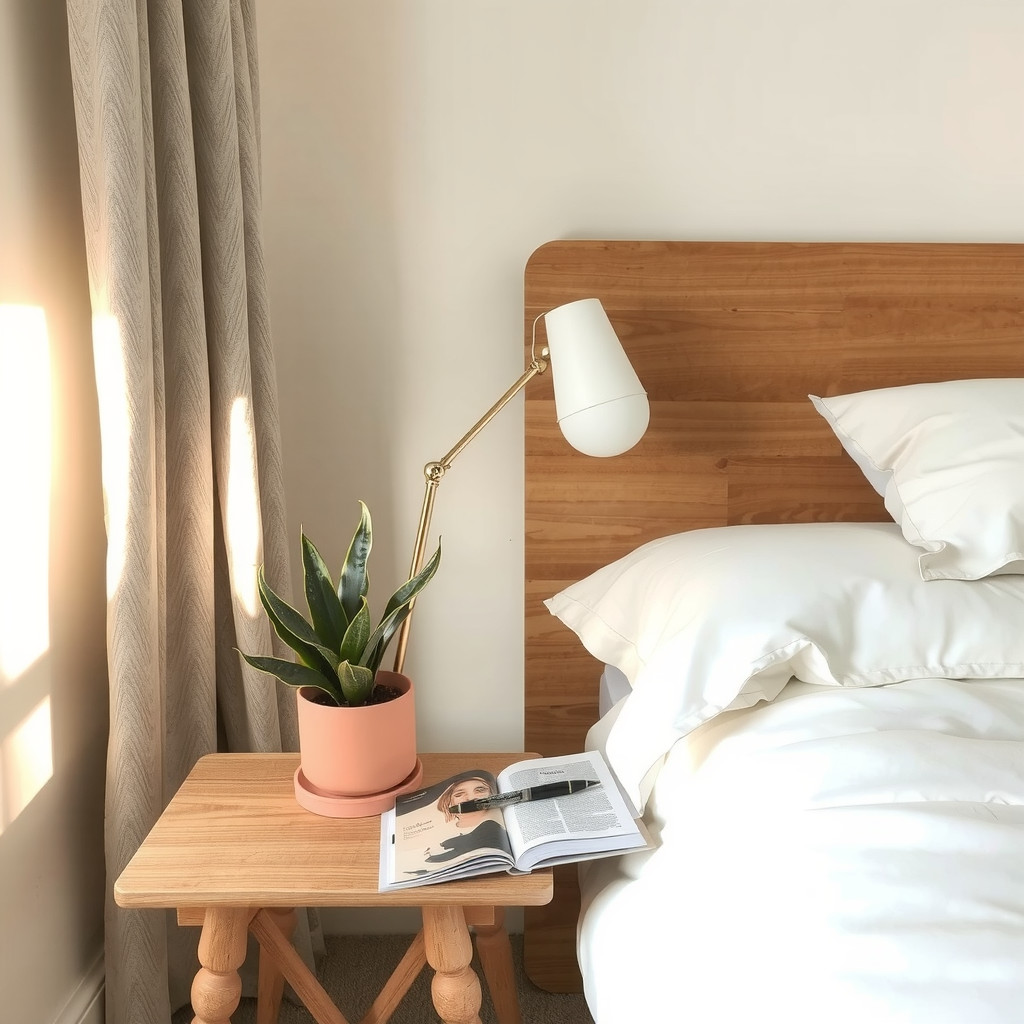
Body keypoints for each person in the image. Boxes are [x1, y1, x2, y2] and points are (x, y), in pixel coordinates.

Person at [422, 773, 508, 863]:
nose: (470, 798)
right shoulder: (439, 834)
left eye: (480, 790)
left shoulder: (494, 826)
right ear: (448, 802)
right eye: (459, 794)